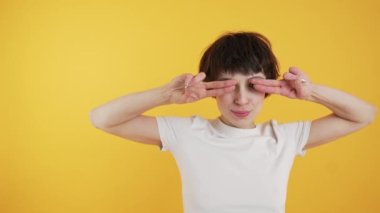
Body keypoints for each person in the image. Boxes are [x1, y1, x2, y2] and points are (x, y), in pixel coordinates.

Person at [89, 31, 376, 213]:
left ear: (268, 88)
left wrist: (311, 92)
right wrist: (166, 94)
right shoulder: (187, 133)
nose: (241, 100)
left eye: (252, 86)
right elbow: (102, 119)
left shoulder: (284, 138)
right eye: (229, 87)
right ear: (211, 88)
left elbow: (365, 114)